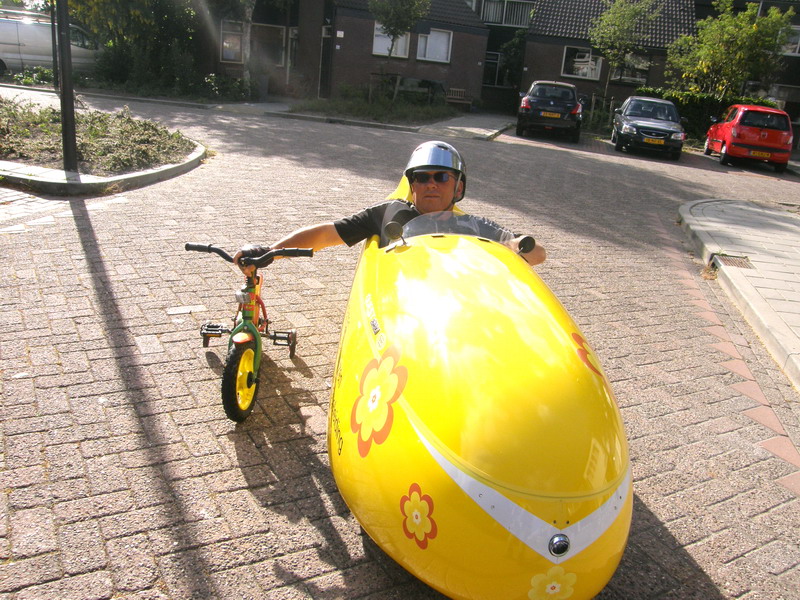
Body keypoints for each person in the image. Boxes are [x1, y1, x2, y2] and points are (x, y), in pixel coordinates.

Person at [234, 141, 546, 271]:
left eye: (441, 177)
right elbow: (324, 234)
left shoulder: (475, 226)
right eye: (422, 178)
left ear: (458, 187)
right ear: (412, 185)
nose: (431, 184)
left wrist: (518, 245)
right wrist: (270, 251)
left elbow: (537, 254)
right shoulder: (387, 213)